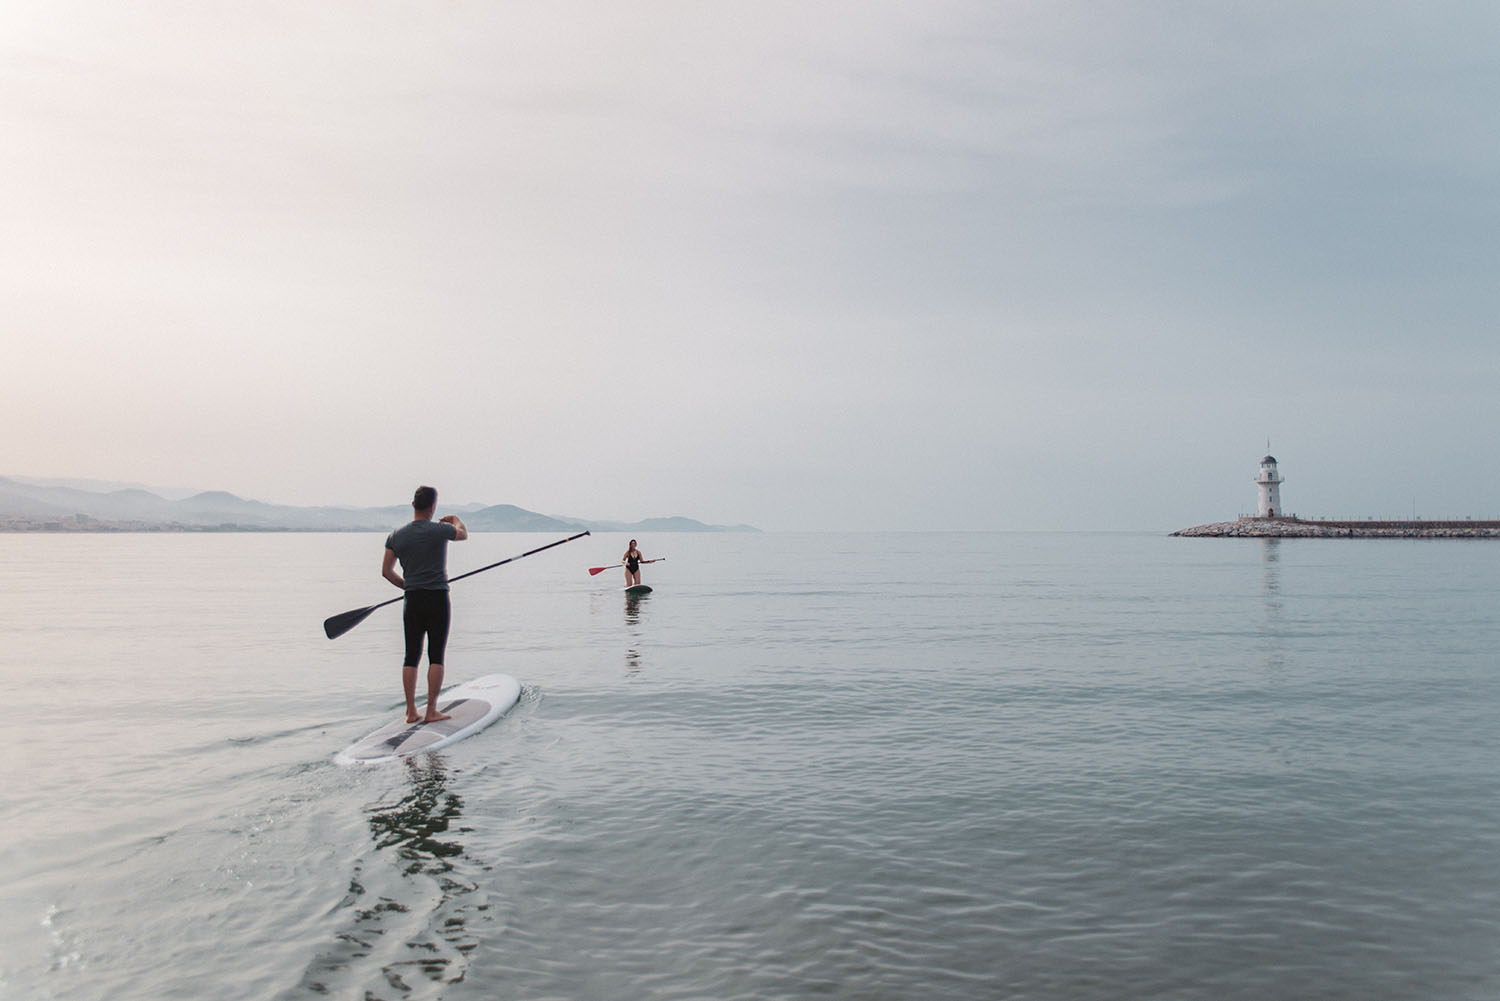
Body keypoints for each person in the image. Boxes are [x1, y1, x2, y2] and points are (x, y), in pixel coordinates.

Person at [382, 485, 468, 723]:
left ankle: (410, 711)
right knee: (436, 655)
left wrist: (407, 586)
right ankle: (431, 711)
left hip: (413, 600)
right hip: (437, 597)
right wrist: (456, 520)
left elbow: (386, 572)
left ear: (413, 505)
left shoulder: (395, 536)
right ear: (433, 507)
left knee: (411, 655)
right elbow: (463, 534)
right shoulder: (440, 530)